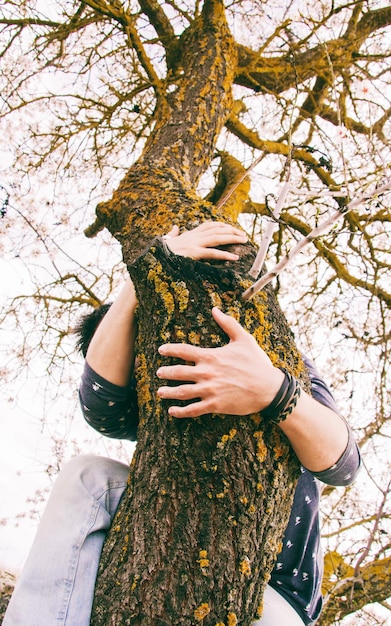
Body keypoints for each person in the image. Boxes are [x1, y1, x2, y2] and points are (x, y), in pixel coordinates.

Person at [3, 222, 361, 626]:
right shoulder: (150, 398)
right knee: (87, 475)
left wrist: (273, 391)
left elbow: (342, 464)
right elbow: (98, 403)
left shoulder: (284, 361)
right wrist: (147, 272)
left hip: (274, 587)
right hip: (163, 536)